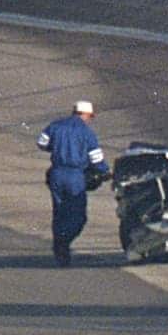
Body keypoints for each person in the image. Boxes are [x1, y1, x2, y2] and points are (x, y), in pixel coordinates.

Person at [36, 100, 108, 265]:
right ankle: (64, 243)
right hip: (75, 176)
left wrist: (55, 148)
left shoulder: (55, 126)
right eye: (90, 116)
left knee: (59, 212)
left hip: (56, 173)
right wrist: (104, 171)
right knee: (78, 216)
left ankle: (59, 246)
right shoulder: (86, 132)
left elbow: (41, 143)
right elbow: (96, 158)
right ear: (86, 114)